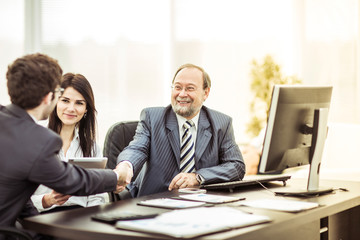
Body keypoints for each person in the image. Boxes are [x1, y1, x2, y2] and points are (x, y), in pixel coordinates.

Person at [0, 53, 131, 228]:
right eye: (61, 96)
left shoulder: (8, 125)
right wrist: (116, 177)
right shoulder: (38, 140)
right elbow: (71, 180)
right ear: (49, 97)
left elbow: (16, 194)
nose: (70, 108)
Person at [117, 63, 245, 198]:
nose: (182, 94)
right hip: (155, 201)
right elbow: (137, 148)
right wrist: (126, 166)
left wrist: (198, 177)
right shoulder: (152, 117)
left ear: (205, 93)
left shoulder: (221, 123)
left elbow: (236, 166)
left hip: (201, 205)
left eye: (190, 88)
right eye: (177, 87)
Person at [31, 73, 106, 212]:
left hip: (81, 217)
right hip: (42, 216)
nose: (71, 108)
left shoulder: (92, 147)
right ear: (54, 101)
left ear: (86, 109)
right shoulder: (33, 138)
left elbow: (97, 196)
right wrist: (46, 200)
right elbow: (16, 198)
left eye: (79, 103)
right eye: (65, 100)